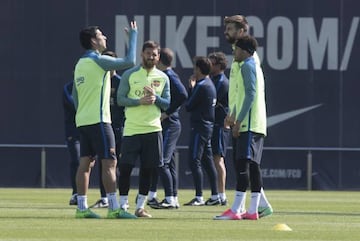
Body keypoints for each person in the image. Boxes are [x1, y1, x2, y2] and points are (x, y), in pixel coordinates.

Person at [72, 22, 138, 219]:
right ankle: (114, 208)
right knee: (110, 163)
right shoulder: (99, 61)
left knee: (85, 164)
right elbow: (130, 61)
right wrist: (133, 36)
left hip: (83, 121)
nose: (105, 38)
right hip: (100, 120)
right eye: (101, 35)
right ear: (94, 41)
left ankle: (82, 208)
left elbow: (75, 95)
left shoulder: (79, 64)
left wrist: (82, 113)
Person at [221, 14, 273, 217]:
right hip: (241, 118)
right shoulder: (238, 58)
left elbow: (250, 93)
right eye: (226, 29)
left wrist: (239, 118)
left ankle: (242, 208)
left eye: (231, 29)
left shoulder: (247, 60)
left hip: (250, 120)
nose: (227, 33)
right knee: (248, 164)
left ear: (242, 32)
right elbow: (239, 93)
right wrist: (231, 114)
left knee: (247, 164)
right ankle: (259, 206)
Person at [117, 40, 170, 218]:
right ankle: (123, 205)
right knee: (125, 168)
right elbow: (120, 99)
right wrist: (138, 101)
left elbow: (167, 103)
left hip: (153, 130)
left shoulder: (163, 78)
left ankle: (140, 207)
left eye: (154, 54)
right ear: (142, 54)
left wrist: (157, 98)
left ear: (158, 56)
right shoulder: (130, 75)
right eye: (148, 53)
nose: (151, 57)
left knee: (148, 169)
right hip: (132, 129)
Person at [147, 47, 188, 209]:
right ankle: (173, 197)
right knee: (168, 162)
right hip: (168, 124)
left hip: (171, 124)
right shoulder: (165, 75)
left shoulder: (170, 75)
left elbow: (183, 95)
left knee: (162, 161)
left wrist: (168, 112)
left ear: (160, 60)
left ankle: (170, 198)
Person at [89, 50, 126, 209]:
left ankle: (118, 198)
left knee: (115, 163)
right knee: (102, 163)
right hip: (102, 126)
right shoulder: (99, 80)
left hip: (118, 128)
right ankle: (104, 198)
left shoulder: (120, 81)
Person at [183, 56, 219, 206]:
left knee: (194, 160)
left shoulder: (202, 85)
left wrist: (191, 87)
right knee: (207, 161)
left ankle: (199, 196)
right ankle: (216, 195)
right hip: (207, 127)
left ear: (198, 69)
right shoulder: (210, 84)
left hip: (200, 127)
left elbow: (189, 106)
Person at [208, 52, 230, 206]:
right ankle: (217, 194)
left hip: (219, 126)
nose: (209, 65)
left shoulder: (221, 81)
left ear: (219, 65)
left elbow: (212, 101)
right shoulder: (213, 80)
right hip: (214, 125)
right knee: (215, 159)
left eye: (212, 63)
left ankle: (221, 195)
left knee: (218, 159)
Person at [62, 80, 80, 206]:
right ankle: (76, 193)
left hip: (89, 127)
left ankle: (106, 197)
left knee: (105, 161)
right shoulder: (68, 87)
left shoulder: (92, 84)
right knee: (77, 160)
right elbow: (74, 104)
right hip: (73, 131)